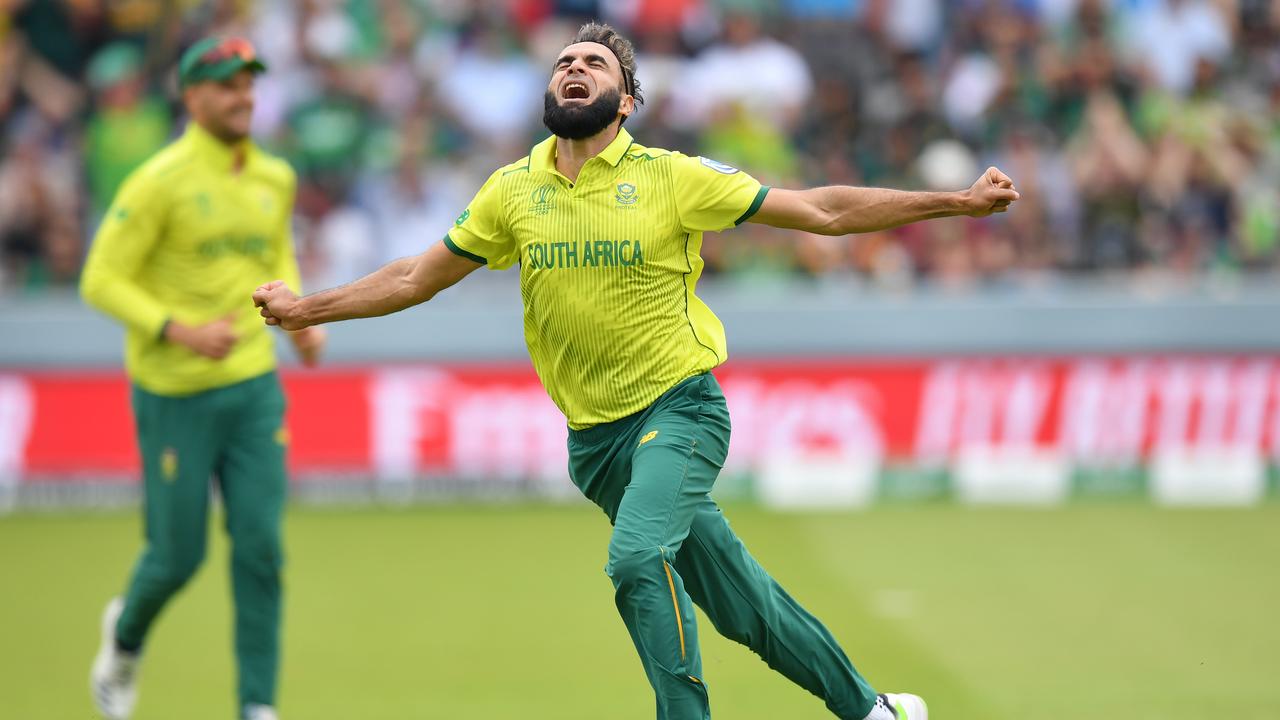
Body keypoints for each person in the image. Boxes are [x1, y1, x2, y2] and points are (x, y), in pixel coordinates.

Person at [254, 22, 1018, 720]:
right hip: (596, 444)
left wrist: (955, 201)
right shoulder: (513, 190)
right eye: (563, 63)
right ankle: (875, 712)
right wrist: (306, 310)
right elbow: (414, 278)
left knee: (635, 559)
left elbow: (822, 212)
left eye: (593, 63)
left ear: (624, 101)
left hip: (680, 413)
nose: (573, 70)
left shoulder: (671, 177)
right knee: (743, 606)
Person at [81, 36, 326, 720]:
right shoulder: (158, 182)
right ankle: (124, 638)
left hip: (253, 387)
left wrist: (301, 319)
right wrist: (179, 330)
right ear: (190, 97)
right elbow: (101, 279)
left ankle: (257, 705)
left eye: (248, 82)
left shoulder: (274, 177)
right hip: (174, 394)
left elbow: (275, 254)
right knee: (176, 557)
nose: (242, 95)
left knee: (261, 547)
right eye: (225, 84)